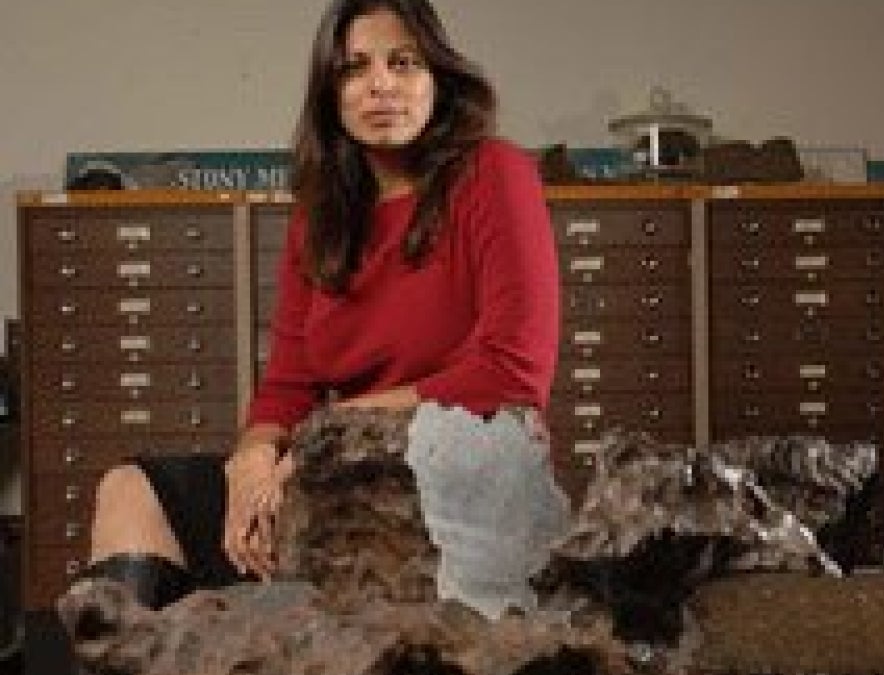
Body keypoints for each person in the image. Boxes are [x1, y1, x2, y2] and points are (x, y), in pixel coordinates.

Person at [83, 0, 560, 609]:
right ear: (331, 95)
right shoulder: (323, 214)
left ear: (437, 80)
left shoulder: (494, 173)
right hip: (343, 469)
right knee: (132, 490)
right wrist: (253, 460)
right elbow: (289, 381)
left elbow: (512, 371)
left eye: (403, 63)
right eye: (355, 68)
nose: (381, 84)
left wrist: (322, 443)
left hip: (460, 481)